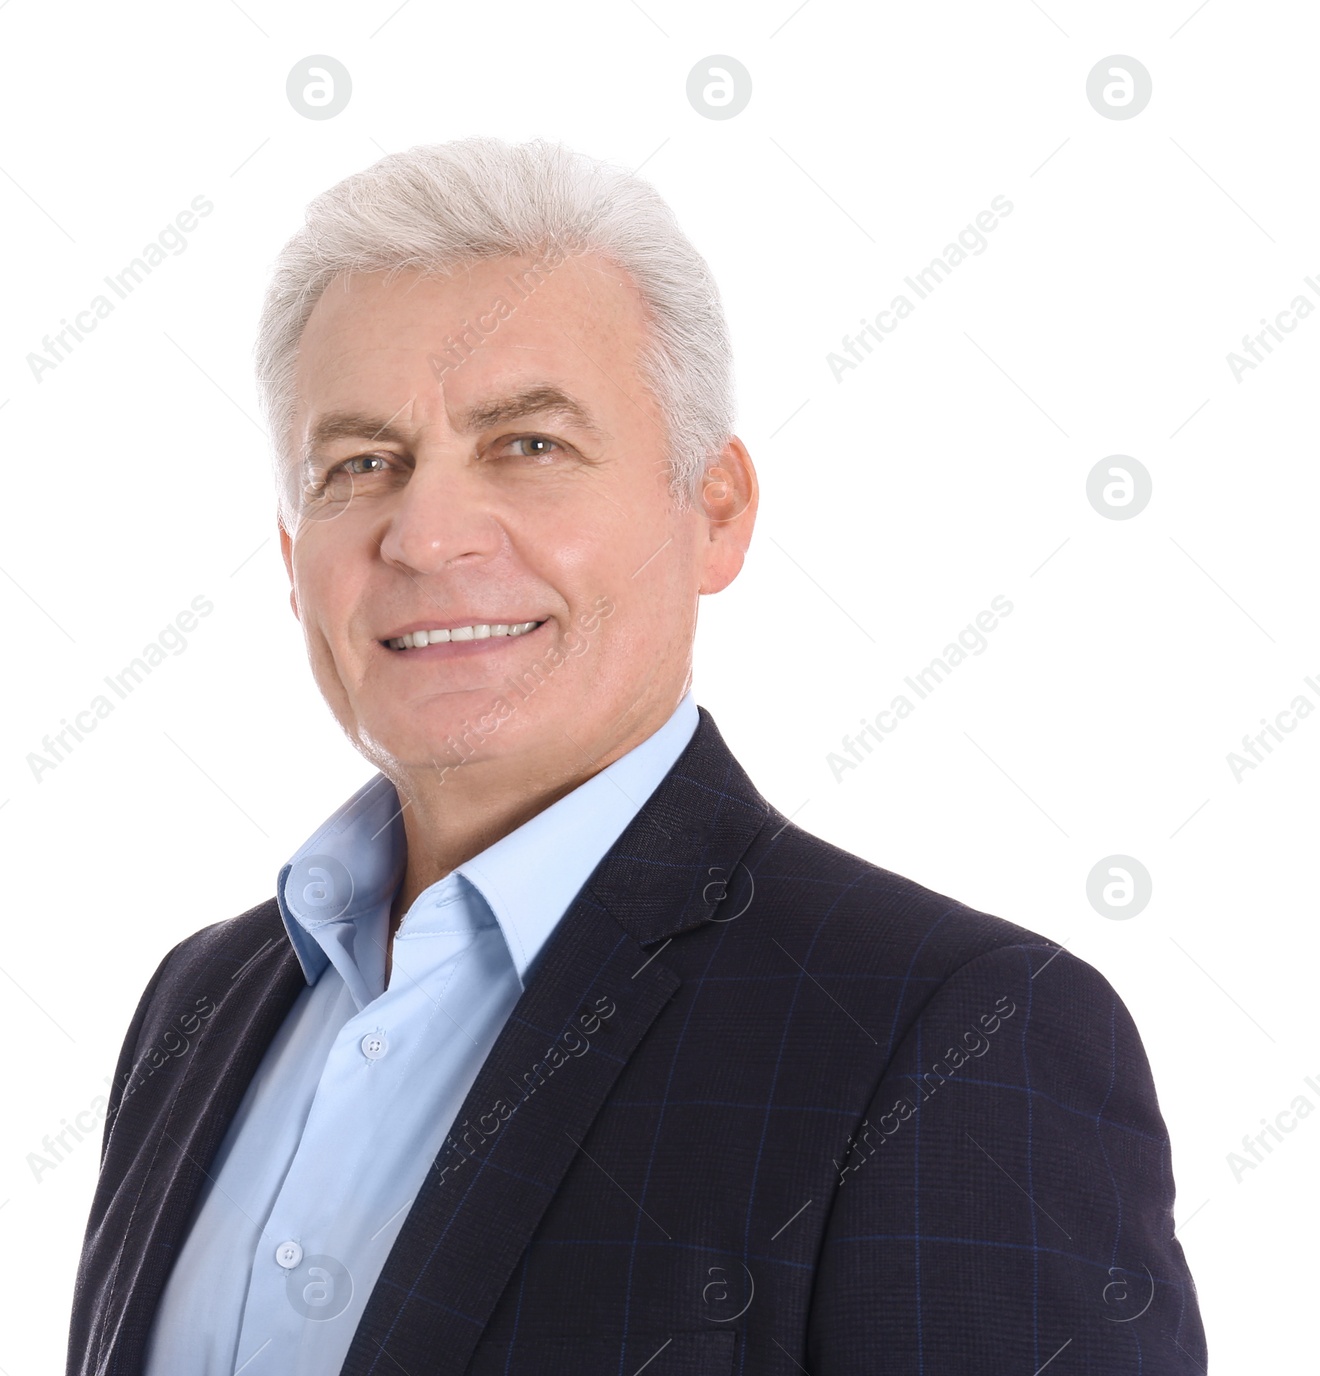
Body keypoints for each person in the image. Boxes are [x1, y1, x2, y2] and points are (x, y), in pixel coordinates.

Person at [66, 137, 1205, 1375]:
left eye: (528, 445)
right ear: (293, 559)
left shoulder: (952, 1033)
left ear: (713, 509)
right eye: (362, 465)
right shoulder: (202, 1000)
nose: (428, 534)